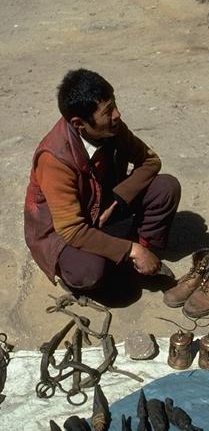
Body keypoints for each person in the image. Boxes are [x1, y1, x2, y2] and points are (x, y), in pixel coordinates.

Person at [24, 69, 181, 293]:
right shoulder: (54, 158)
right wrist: (131, 249)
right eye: (108, 111)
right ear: (79, 124)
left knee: (165, 187)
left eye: (114, 104)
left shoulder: (112, 128)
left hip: (98, 205)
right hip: (59, 230)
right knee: (88, 272)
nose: (117, 114)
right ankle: (120, 257)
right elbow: (71, 230)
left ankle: (141, 256)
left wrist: (119, 198)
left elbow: (150, 161)